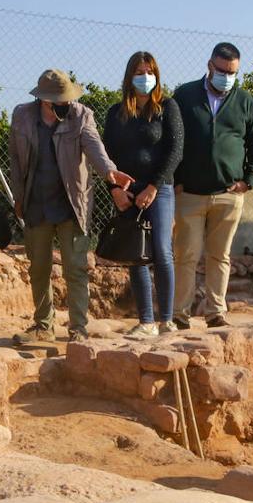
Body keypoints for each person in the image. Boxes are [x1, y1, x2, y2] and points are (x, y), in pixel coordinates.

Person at [9, 69, 133, 343]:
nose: (66, 104)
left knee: (75, 268)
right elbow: (16, 161)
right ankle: (43, 326)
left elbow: (94, 147)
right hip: (36, 204)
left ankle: (78, 328)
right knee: (38, 268)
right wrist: (18, 196)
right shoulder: (22, 116)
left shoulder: (81, 115)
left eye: (67, 99)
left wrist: (110, 172)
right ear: (44, 100)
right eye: (59, 101)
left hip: (72, 205)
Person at [171, 42, 253, 329]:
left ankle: (215, 312)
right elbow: (172, 139)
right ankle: (180, 314)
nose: (227, 76)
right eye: (223, 70)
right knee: (185, 256)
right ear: (210, 66)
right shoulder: (185, 95)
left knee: (220, 256)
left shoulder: (244, 101)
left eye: (233, 72)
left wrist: (249, 179)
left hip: (228, 195)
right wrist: (175, 180)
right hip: (188, 193)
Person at [103, 51, 183, 337]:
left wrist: (153, 186)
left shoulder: (167, 107)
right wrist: (114, 189)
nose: (144, 77)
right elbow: (106, 154)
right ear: (129, 76)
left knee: (161, 251)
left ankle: (167, 320)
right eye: (139, 71)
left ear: (157, 75)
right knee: (136, 254)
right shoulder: (116, 113)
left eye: (149, 72)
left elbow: (175, 150)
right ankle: (146, 321)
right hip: (126, 191)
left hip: (158, 190)